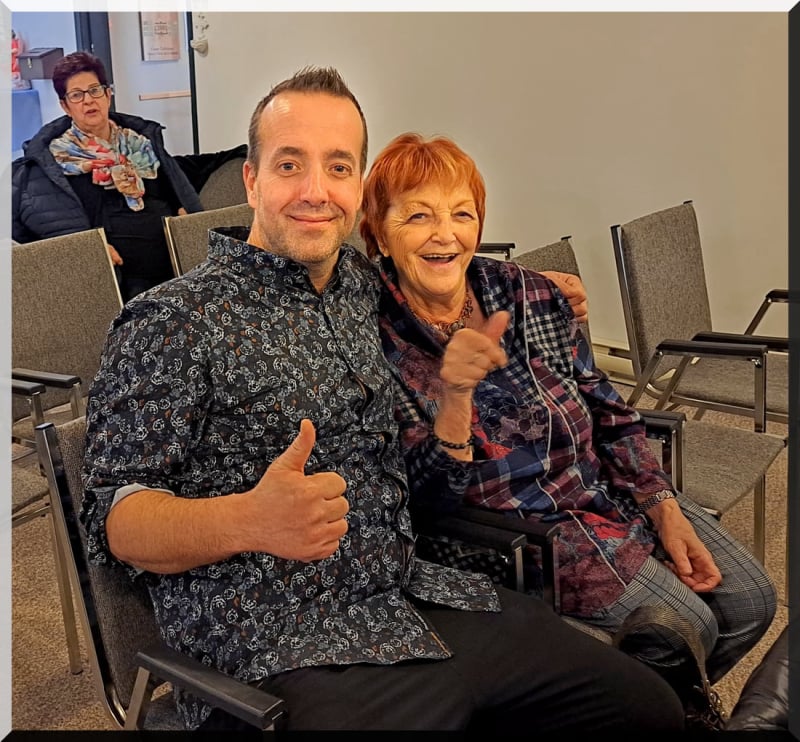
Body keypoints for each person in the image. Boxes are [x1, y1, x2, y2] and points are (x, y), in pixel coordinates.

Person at [80, 66, 685, 733]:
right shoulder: (170, 322)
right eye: (290, 165)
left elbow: (439, 263)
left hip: (415, 597)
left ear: (358, 186)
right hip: (278, 647)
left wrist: (532, 286)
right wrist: (246, 520)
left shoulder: (359, 287)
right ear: (251, 180)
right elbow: (115, 521)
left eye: (338, 167)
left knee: (649, 709)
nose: (316, 191)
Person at [360, 132, 777, 692]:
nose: (445, 233)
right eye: (417, 216)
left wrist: (660, 502)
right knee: (688, 624)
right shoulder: (371, 337)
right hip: (522, 533)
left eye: (462, 213)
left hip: (601, 490)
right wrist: (456, 396)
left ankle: (662, 704)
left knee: (752, 600)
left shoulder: (528, 293)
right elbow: (425, 500)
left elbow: (605, 405)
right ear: (379, 234)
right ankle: (642, 704)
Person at [11, 51, 203, 302]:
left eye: (95, 90)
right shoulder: (54, 161)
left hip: (174, 267)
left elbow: (177, 188)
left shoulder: (142, 143)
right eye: (76, 95)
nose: (88, 100)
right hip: (112, 282)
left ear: (108, 94)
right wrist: (89, 250)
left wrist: (186, 218)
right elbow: (34, 229)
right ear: (65, 106)